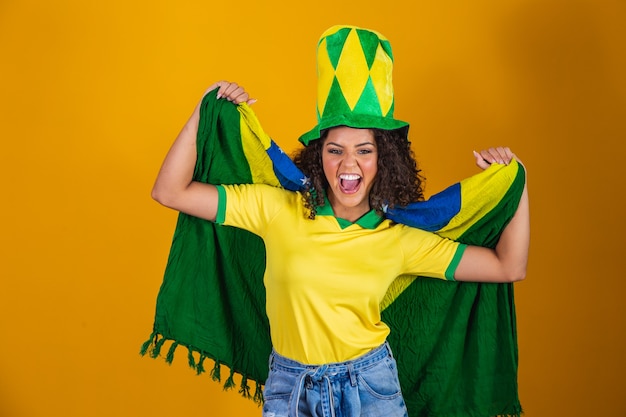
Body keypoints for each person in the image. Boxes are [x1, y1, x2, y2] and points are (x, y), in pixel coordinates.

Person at [151, 25, 529, 417]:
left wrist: (518, 179)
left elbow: (508, 266)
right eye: (335, 150)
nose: (349, 165)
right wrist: (203, 109)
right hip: (289, 386)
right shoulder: (276, 208)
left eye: (364, 150)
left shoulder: (399, 238)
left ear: (384, 159)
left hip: (370, 387)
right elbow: (170, 191)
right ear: (318, 156)